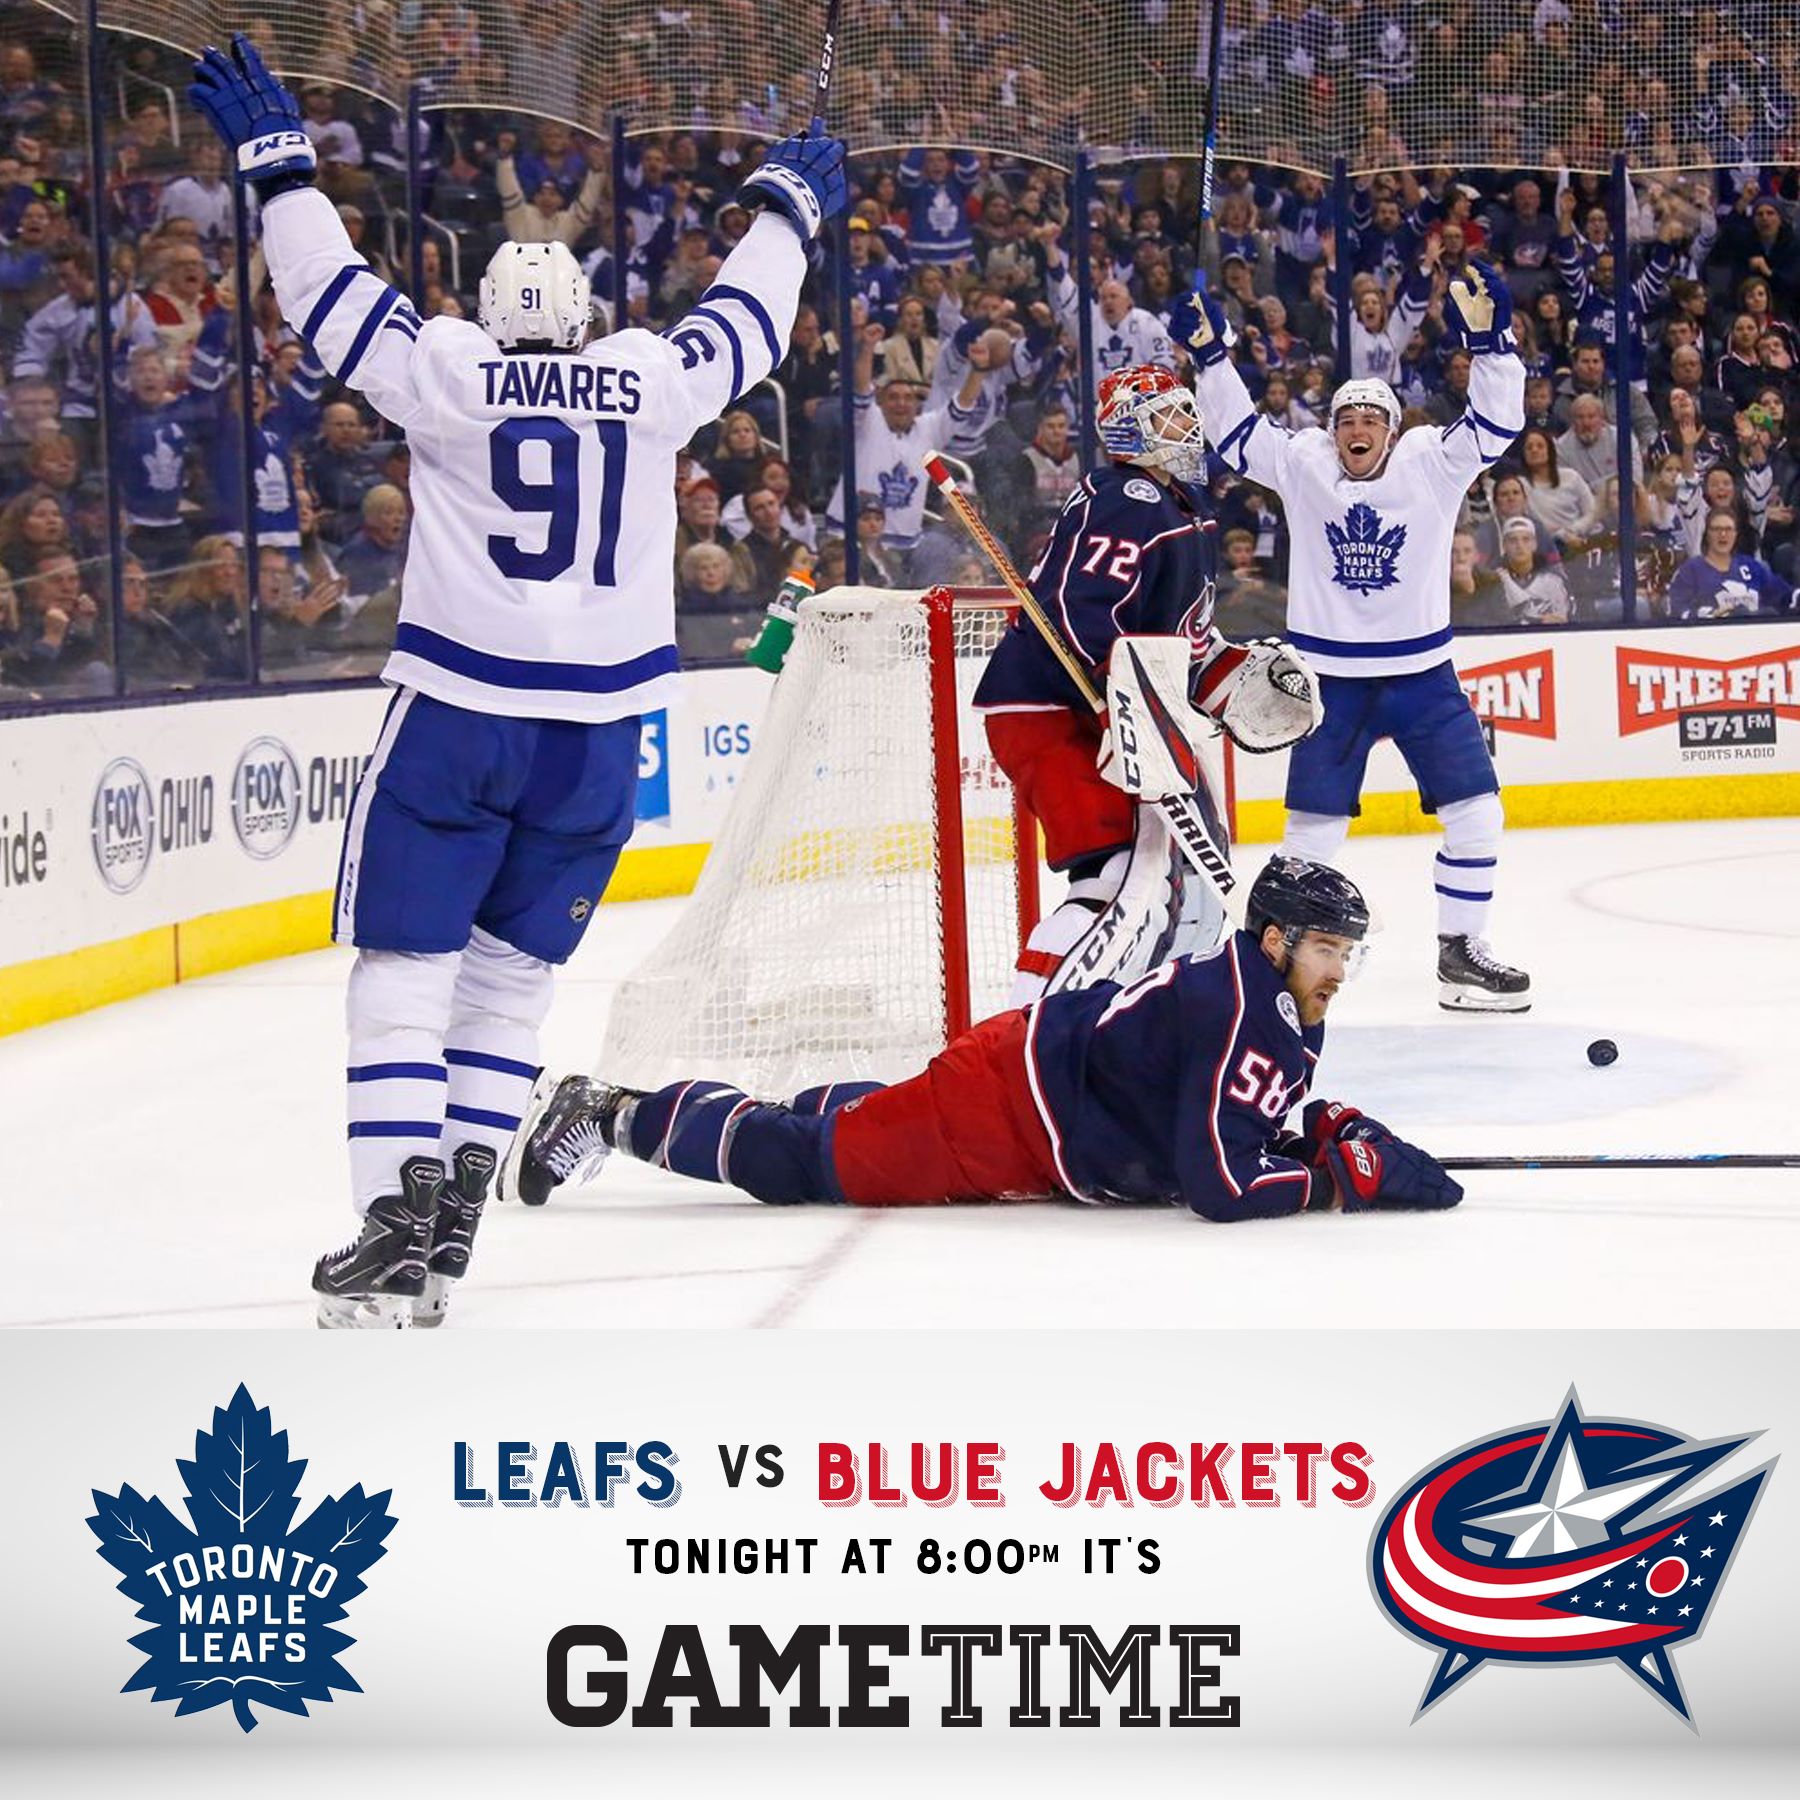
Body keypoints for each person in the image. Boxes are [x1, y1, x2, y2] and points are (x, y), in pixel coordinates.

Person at [189, 32, 846, 1327]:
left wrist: (282, 172)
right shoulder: (645, 377)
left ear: (493, 315)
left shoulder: (448, 366)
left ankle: (393, 1217)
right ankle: (455, 1216)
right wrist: (787, 214)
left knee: (403, 970)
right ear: (586, 319)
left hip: (459, 713)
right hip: (598, 738)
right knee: (510, 981)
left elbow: (327, 294)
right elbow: (747, 328)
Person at [509, 858, 1463, 1221]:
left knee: (851, 1128)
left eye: (1347, 952)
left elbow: (1217, 1122)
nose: (1339, 969)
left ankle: (809, 1112)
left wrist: (1314, 1133)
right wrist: (1330, 1180)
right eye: (1327, 949)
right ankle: (613, 1113)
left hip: (1025, 1095)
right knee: (811, 1166)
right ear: (1277, 940)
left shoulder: (1275, 1001)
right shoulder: (1241, 1008)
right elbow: (1219, 1185)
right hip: (1005, 1111)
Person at [1177, 259, 1533, 1012]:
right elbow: (1238, 436)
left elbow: (1499, 426)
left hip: (1422, 678)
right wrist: (1210, 358)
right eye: (1345, 420)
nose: (1357, 430)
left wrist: (1494, 347)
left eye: (1371, 420)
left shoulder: (1431, 462)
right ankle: (1265, 969)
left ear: (1393, 431)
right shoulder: (1305, 463)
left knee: (1478, 815)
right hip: (1328, 685)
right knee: (1310, 838)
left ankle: (1461, 953)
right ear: (1331, 431)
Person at [973, 361, 1321, 1004]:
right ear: (1126, 431)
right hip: (1050, 708)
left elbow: (1182, 645)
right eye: (1167, 417)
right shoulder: (1124, 498)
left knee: (1177, 878)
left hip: (1113, 711)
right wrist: (1121, 702)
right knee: (1113, 876)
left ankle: (1136, 1015)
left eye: (1187, 413)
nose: (1187, 427)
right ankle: (1024, 1026)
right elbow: (1081, 613)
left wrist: (1231, 677)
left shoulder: (1186, 507)